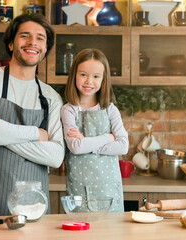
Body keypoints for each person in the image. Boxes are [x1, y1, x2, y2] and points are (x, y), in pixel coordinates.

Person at [0, 13, 65, 217]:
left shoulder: (51, 97)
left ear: (45, 49)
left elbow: (55, 156)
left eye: (40, 38)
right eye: (25, 35)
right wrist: (35, 133)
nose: (32, 42)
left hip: (31, 204)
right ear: (11, 44)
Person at [61, 48, 129, 212]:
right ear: (74, 75)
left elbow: (123, 146)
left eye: (96, 76)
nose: (88, 81)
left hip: (109, 189)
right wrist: (108, 137)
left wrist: (86, 143)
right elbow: (76, 147)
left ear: (103, 79)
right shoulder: (69, 110)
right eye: (83, 74)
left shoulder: (110, 109)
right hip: (80, 188)